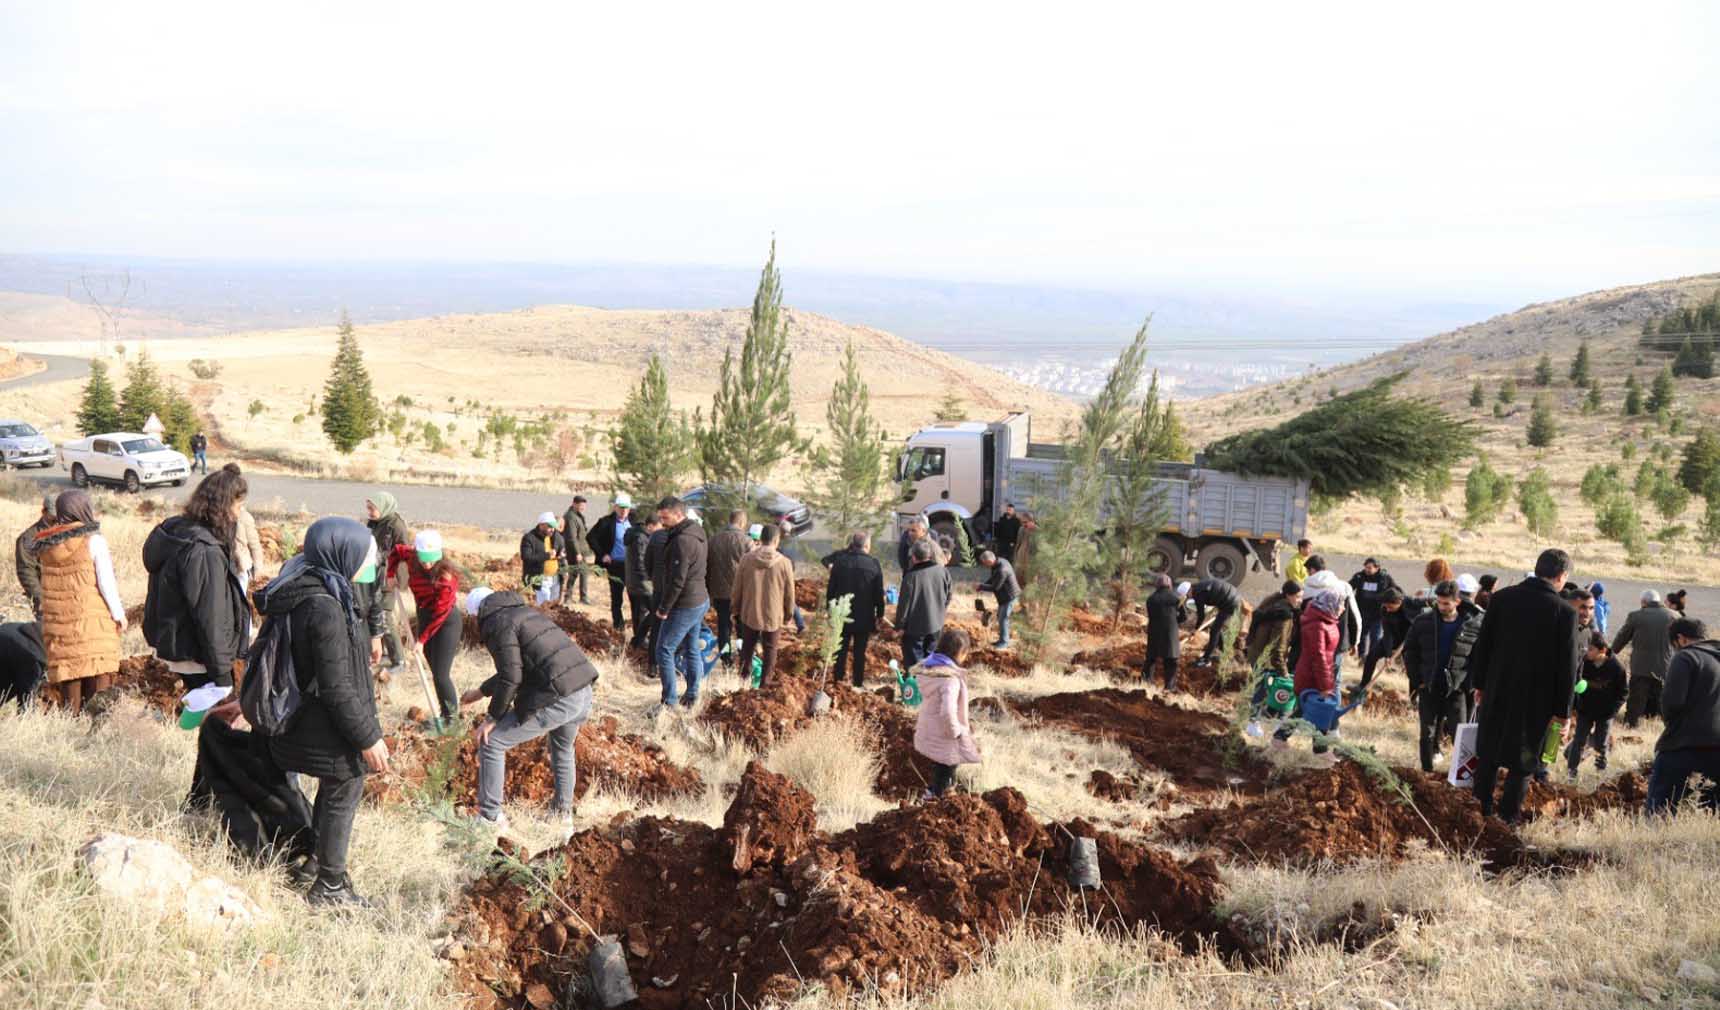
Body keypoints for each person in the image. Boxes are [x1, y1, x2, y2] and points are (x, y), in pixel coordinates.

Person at [256, 517, 388, 907]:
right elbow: (336, 686)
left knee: (334, 791)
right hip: (319, 721)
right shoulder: (325, 606)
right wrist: (368, 737)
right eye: (365, 554)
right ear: (342, 553)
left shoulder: (307, 585)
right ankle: (331, 885)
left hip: (300, 717)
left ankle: (316, 861)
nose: (371, 562)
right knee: (344, 786)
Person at [459, 587, 599, 830]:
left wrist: (492, 718)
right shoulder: (524, 613)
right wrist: (481, 692)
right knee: (562, 749)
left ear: (477, 613)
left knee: (492, 742)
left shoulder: (497, 624)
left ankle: (490, 818)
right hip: (582, 691)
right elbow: (520, 668)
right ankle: (562, 816)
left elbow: (511, 675)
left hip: (559, 697)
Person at [1466, 549, 1582, 823]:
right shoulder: (1564, 611)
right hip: (1537, 700)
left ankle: (1477, 812)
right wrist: (1563, 712)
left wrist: (1479, 684)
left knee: (1489, 754)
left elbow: (1484, 645)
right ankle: (1507, 820)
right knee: (1524, 762)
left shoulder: (1503, 598)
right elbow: (1567, 667)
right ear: (1562, 576)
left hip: (1497, 689)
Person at [143, 465, 251, 692]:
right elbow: (209, 615)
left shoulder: (179, 530)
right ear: (223, 506)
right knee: (213, 719)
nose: (240, 513)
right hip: (198, 653)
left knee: (200, 713)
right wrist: (222, 672)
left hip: (182, 644)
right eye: (238, 505)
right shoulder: (204, 550)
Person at [34, 491, 124, 713]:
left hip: (59, 623)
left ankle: (71, 723)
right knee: (98, 669)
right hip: (92, 620)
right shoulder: (93, 541)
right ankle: (97, 726)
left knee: (69, 671)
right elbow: (106, 583)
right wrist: (119, 614)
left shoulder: (46, 546)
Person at [1402, 580, 1484, 772]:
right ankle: (1427, 772)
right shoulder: (1423, 622)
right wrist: (1418, 680)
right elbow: (1410, 652)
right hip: (1429, 686)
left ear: (1457, 602)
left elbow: (1479, 657)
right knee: (1427, 733)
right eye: (1439, 602)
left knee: (1460, 734)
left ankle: (1462, 776)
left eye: (1446, 603)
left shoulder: (1472, 625)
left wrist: (1468, 684)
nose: (1442, 606)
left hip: (1457, 689)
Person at [1646, 619, 1720, 814]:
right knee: (1709, 811)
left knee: (1660, 806)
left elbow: (1672, 703)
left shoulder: (1686, 657)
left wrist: (1672, 725)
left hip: (1684, 743)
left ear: (1680, 639)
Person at [388, 529, 461, 722]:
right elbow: (395, 551)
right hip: (425, 615)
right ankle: (445, 712)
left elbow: (441, 613)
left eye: (431, 560)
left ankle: (452, 719)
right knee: (433, 667)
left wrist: (421, 640)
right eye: (423, 559)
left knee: (441, 674)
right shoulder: (411, 556)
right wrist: (390, 574)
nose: (427, 564)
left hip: (445, 622)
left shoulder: (446, 576)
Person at [650, 497, 709, 709]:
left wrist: (664, 609)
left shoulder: (682, 541)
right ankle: (693, 694)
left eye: (665, 517)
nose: (662, 522)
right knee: (692, 647)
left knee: (664, 649)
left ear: (678, 514)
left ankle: (669, 702)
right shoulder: (696, 531)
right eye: (660, 517)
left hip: (685, 603)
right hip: (699, 598)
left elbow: (677, 580)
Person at [912, 627, 981, 799]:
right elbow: (947, 712)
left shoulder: (931, 669)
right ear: (960, 653)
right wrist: (955, 732)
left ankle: (938, 790)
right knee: (948, 767)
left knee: (941, 768)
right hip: (945, 733)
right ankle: (935, 798)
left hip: (930, 729)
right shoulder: (950, 679)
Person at [1280, 588, 1343, 758]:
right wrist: (1325, 685)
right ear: (1330, 604)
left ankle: (1279, 738)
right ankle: (1320, 750)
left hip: (1317, 673)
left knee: (1303, 711)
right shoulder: (1317, 625)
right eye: (1341, 604)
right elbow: (1319, 656)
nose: (1343, 608)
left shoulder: (1327, 620)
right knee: (1321, 710)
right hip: (1312, 675)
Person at [731, 523, 795, 688]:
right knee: (771, 649)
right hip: (773, 614)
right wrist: (789, 614)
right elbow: (789, 593)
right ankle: (765, 683)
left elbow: (737, 587)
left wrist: (735, 608)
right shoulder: (785, 563)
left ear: (761, 538)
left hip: (749, 611)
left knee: (748, 646)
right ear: (776, 540)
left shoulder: (746, 559)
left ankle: (745, 679)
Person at [824, 531, 886, 687]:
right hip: (864, 616)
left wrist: (830, 610)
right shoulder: (874, 564)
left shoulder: (840, 562)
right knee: (860, 652)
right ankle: (857, 683)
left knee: (840, 649)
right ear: (867, 545)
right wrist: (880, 613)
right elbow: (879, 592)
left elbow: (831, 589)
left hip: (841, 614)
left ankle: (838, 681)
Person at [1566, 632, 1627, 780]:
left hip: (1605, 712)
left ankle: (1600, 774)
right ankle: (1571, 773)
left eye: (1591, 649)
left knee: (1601, 744)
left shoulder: (1616, 667)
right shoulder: (1584, 663)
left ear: (1603, 650)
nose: (1587, 652)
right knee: (1579, 740)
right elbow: (1575, 683)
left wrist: (1612, 712)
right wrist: (1576, 704)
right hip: (1585, 709)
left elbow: (1623, 693)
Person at [1612, 588, 1677, 727]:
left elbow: (1622, 637)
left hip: (1640, 667)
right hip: (1665, 666)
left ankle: (1631, 724)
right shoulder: (1674, 616)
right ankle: (1660, 724)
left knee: (1637, 699)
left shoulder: (1636, 616)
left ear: (1643, 602)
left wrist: (1612, 652)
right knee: (1661, 698)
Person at [1243, 581, 1301, 733]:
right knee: (1262, 689)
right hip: (1265, 658)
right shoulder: (1284, 615)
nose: (1300, 600)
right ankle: (1253, 723)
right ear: (1288, 596)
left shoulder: (1273, 604)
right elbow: (1278, 647)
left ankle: (1258, 720)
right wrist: (1284, 671)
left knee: (1260, 688)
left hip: (1256, 653)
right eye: (1298, 597)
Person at [364, 492, 411, 670]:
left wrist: (400, 579)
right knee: (374, 613)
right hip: (372, 574)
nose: (369, 511)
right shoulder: (374, 522)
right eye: (368, 507)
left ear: (383, 506)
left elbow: (405, 553)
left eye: (372, 508)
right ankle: (381, 651)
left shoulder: (396, 525)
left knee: (385, 616)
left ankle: (399, 660)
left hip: (388, 577)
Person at [1302, 555, 1361, 686]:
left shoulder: (1306, 589)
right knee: (1335, 678)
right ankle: (1332, 705)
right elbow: (1355, 616)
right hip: (1338, 641)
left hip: (1310, 641)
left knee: (1312, 677)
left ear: (1311, 570)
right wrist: (1355, 641)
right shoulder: (1343, 587)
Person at [896, 539, 952, 670]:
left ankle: (916, 686)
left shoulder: (911, 577)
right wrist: (940, 611)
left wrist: (899, 626)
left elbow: (904, 605)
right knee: (931, 656)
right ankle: (930, 683)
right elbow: (949, 596)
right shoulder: (943, 571)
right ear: (929, 555)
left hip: (915, 627)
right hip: (936, 624)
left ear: (914, 557)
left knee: (915, 661)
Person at [706, 510, 752, 660]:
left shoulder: (713, 540)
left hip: (718, 591)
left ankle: (725, 658)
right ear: (742, 523)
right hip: (741, 592)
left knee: (724, 627)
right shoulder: (747, 542)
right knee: (741, 627)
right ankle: (743, 655)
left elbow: (707, 565)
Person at [586, 494, 633, 633]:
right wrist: (602, 554)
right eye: (621, 508)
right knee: (617, 597)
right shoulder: (606, 522)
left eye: (626, 508)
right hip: (615, 565)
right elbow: (591, 537)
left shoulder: (634, 522)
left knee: (635, 598)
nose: (624, 511)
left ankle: (636, 624)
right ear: (615, 507)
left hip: (631, 567)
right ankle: (618, 627)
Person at [1184, 577, 1252, 668]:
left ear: (1189, 590)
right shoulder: (1199, 586)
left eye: (1187, 595)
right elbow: (1213, 595)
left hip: (1230, 603)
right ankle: (1223, 653)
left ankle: (1206, 660)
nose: (1188, 597)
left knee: (1214, 630)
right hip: (1233, 597)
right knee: (1217, 628)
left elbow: (1201, 615)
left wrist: (1195, 629)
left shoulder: (1198, 594)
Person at [622, 510, 661, 651]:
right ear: (650, 526)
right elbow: (641, 562)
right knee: (654, 611)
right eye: (658, 527)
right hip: (642, 583)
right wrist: (651, 577)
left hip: (634, 581)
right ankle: (639, 640)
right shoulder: (641, 538)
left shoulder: (635, 535)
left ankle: (638, 640)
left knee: (639, 612)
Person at [1349, 558, 1398, 668]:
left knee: (1375, 637)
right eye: (1366, 567)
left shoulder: (1385, 578)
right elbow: (1348, 588)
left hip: (1378, 614)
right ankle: (1362, 657)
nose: (1367, 570)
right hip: (1362, 612)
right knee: (1361, 636)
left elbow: (1396, 590)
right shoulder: (1359, 577)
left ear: (1377, 568)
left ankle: (1371, 659)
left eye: (1370, 568)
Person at [14, 494, 55, 619]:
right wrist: (40, 598)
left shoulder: (68, 531)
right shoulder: (29, 538)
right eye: (53, 515)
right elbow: (26, 571)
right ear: (43, 512)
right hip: (46, 600)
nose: (58, 518)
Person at [1143, 573, 1184, 689]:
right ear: (1170, 585)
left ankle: (1146, 683)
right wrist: (1175, 622)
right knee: (1171, 660)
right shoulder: (1176, 599)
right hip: (1170, 633)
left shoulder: (1151, 599)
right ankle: (1169, 687)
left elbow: (1151, 615)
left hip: (1154, 632)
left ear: (1157, 585)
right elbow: (1183, 616)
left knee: (1151, 658)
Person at [976, 550, 1021, 649]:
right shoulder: (998, 562)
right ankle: (1002, 640)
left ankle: (1004, 643)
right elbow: (993, 579)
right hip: (1004, 596)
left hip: (1009, 597)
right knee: (1000, 616)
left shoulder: (1002, 569)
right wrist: (982, 585)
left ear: (989, 561)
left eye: (985, 563)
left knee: (1003, 618)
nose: (985, 565)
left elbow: (995, 587)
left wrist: (982, 586)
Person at [520, 511, 567, 605]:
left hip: (555, 578)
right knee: (543, 606)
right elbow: (526, 557)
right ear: (541, 525)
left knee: (553, 606)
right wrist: (547, 555)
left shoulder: (556, 537)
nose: (552, 529)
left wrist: (561, 556)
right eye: (549, 527)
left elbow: (562, 551)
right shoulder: (529, 538)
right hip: (541, 579)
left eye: (553, 526)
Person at [0, 620, 46, 708]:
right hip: (26, 650)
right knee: (27, 700)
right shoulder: (33, 659)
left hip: (6, 633)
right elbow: (27, 696)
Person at [560, 495, 593, 605]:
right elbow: (571, 537)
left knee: (580, 573)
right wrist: (577, 553)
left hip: (581, 550)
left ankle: (578, 597)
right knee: (576, 573)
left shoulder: (578, 515)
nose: (583, 507)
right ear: (574, 504)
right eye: (580, 505)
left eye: (584, 505)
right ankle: (571, 597)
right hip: (574, 551)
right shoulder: (570, 517)